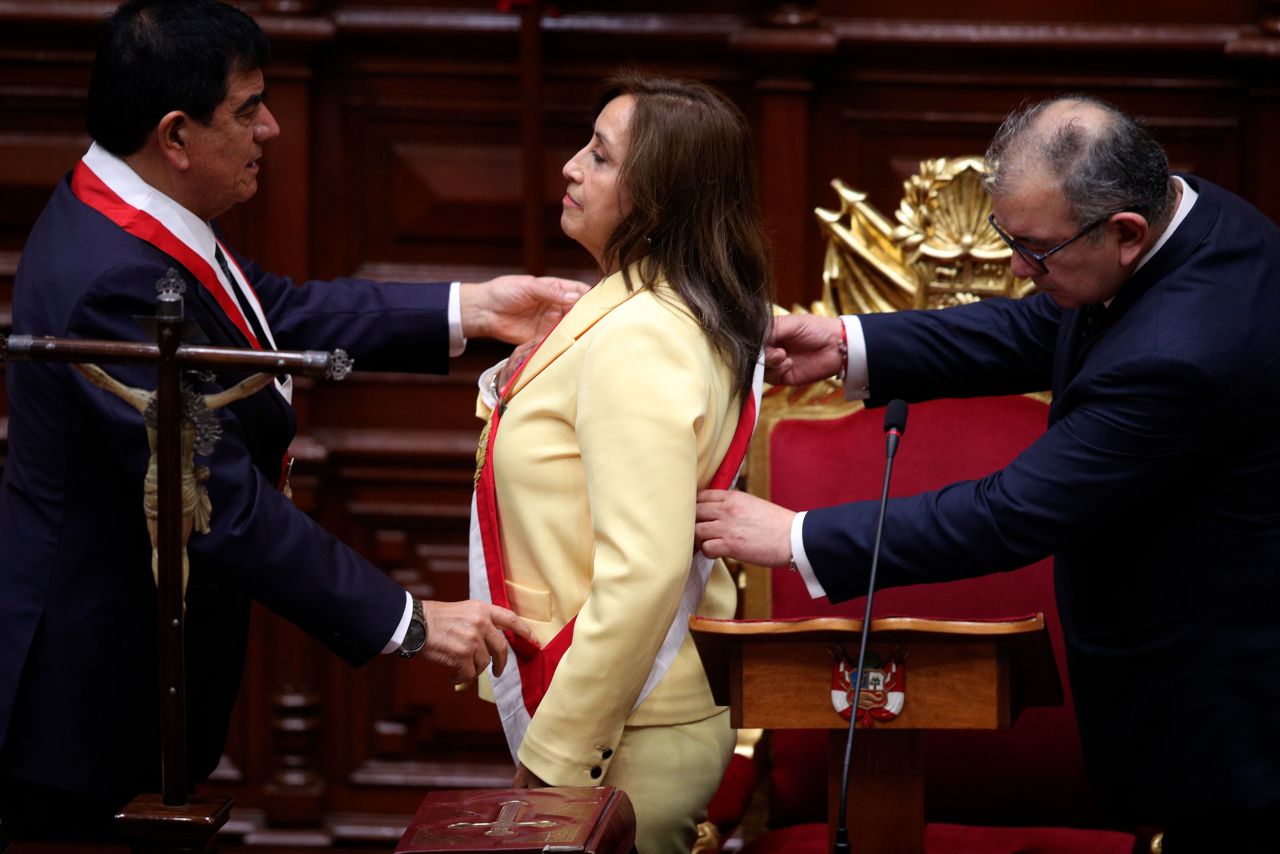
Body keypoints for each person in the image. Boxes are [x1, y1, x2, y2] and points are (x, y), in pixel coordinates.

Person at [0, 0, 585, 839]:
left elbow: (268, 318)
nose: (271, 128)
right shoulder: (109, 278)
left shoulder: (128, 205)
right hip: (87, 704)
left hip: (126, 675)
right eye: (248, 110)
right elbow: (218, 501)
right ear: (175, 136)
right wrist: (409, 621)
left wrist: (474, 309)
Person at [695, 94, 1280, 852]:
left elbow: (1011, 514)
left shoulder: (1184, 351)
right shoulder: (1184, 212)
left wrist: (798, 535)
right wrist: (848, 344)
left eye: (1033, 250)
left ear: (1126, 234)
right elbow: (1045, 322)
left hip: (1222, 719)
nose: (1014, 267)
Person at [467, 73, 773, 853]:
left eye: (600, 158)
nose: (571, 166)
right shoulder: (645, 306)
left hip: (628, 732)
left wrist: (560, 753)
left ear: (658, 202)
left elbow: (642, 572)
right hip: (622, 710)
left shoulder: (644, 334)